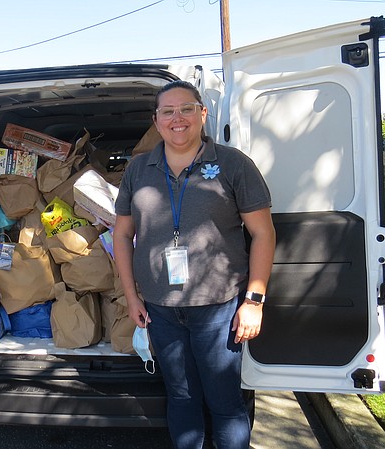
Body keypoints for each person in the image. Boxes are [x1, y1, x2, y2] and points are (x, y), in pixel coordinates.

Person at [113, 80, 276, 449]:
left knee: (225, 403)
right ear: (156, 121)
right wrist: (131, 297)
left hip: (218, 309)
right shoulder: (139, 170)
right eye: (167, 112)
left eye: (186, 109)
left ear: (203, 113)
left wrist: (253, 301)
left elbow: (264, 234)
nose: (177, 119)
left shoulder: (233, 165)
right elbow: (122, 235)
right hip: (160, 309)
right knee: (182, 398)